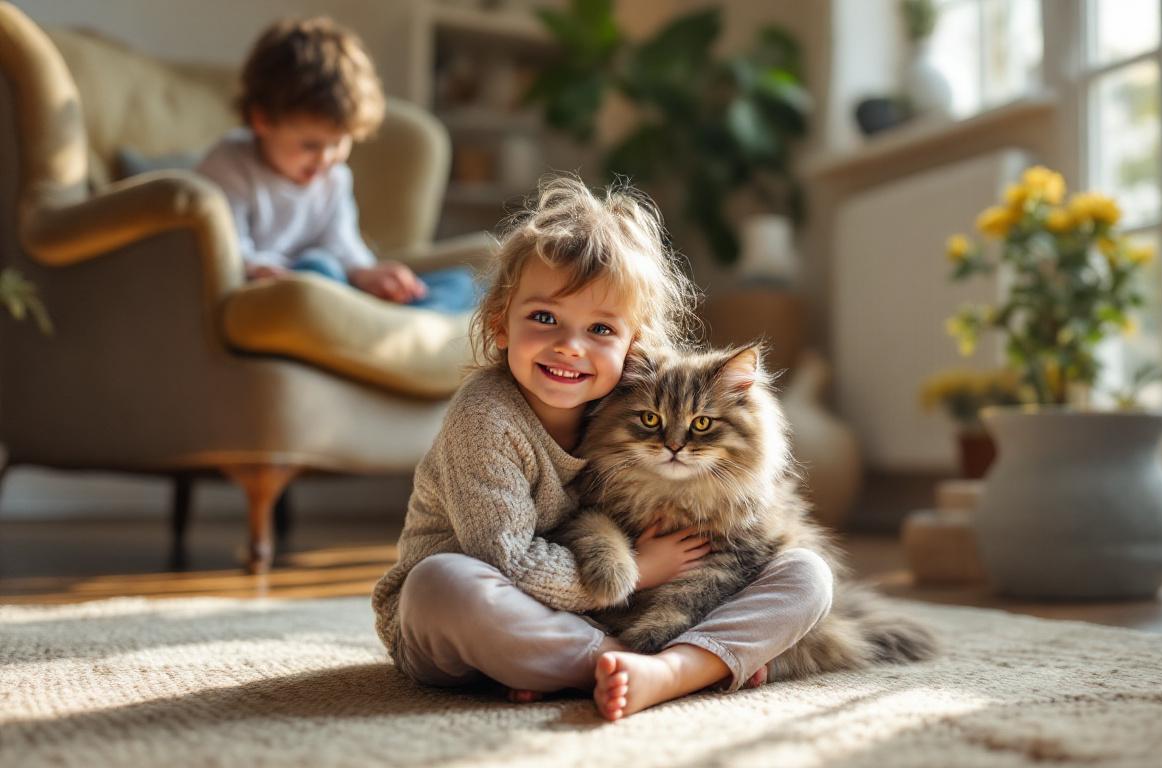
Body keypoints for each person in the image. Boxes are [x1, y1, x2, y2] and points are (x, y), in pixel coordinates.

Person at [370, 177, 834, 721]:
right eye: (545, 318)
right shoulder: (485, 419)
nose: (570, 346)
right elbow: (508, 561)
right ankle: (673, 667)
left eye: (599, 328)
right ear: (500, 324)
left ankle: (585, 670)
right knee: (441, 583)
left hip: (574, 620)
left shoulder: (624, 400)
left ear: (632, 345)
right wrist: (643, 569)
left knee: (808, 577)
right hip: (464, 620)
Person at [196, 17, 475, 313]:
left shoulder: (335, 178)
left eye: (339, 143)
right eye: (310, 145)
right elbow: (225, 250)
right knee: (319, 265)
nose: (326, 159)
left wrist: (370, 274)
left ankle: (399, 322)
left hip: (334, 292)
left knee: (465, 284)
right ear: (262, 120)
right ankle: (376, 323)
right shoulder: (230, 165)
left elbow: (343, 244)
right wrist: (263, 270)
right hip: (279, 296)